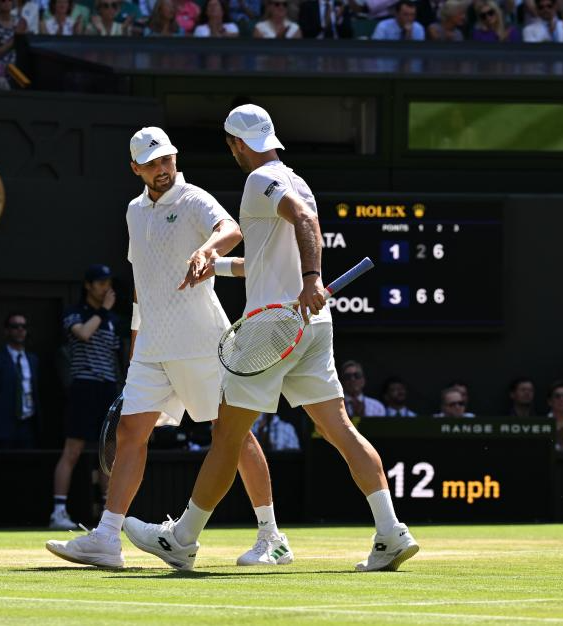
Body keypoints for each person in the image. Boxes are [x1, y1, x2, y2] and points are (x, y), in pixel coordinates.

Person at [121, 105, 419, 573]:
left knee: (227, 436)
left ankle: (181, 540)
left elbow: (304, 221)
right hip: (311, 326)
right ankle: (391, 531)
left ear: (236, 144)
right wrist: (214, 266)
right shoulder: (296, 179)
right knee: (339, 430)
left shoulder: (259, 180)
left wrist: (312, 277)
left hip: (271, 329)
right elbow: (263, 260)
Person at [47, 128, 294, 568]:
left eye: (167, 160)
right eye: (152, 163)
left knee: (232, 436)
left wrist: (207, 251)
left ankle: (271, 537)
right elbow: (141, 281)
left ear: (175, 159)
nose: (162, 169)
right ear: (136, 168)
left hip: (202, 344)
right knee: (130, 434)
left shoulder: (194, 198)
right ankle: (107, 538)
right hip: (152, 347)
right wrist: (136, 340)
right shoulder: (133, 212)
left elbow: (231, 230)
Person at [48, 264, 122, 531]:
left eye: (108, 283)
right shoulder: (75, 313)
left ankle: (108, 515)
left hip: (108, 389)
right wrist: (103, 311)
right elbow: (83, 333)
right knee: (73, 450)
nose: (106, 288)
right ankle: (58, 512)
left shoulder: (113, 320)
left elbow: (116, 357)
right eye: (101, 283)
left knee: (108, 453)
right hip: (83, 387)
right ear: (88, 285)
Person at [0, 313, 40, 448]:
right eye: (15, 326)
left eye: (23, 326)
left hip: (27, 425)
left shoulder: (33, 360)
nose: (20, 330)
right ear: (6, 331)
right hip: (2, 427)